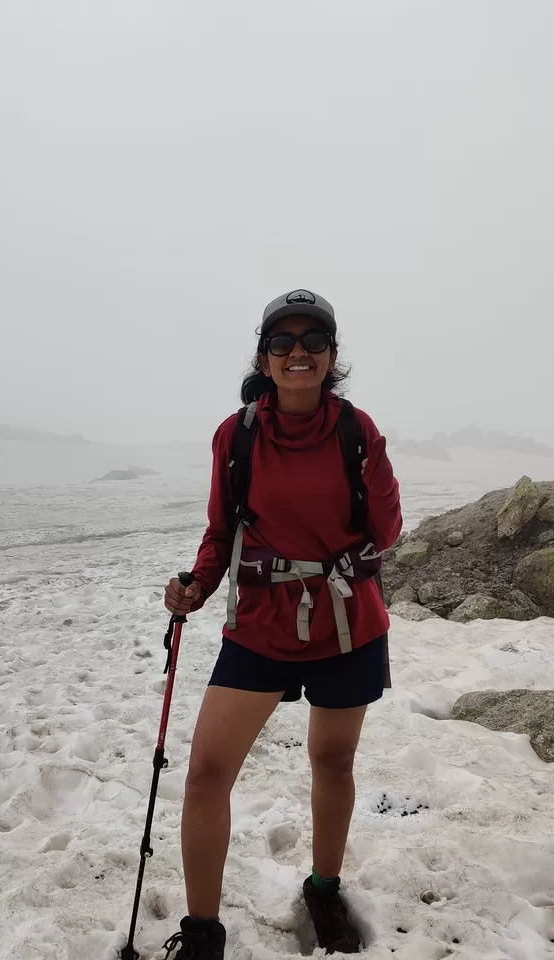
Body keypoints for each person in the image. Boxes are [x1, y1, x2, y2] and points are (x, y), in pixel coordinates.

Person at [159, 289, 402, 958]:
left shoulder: (358, 432)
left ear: (331, 358)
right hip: (261, 622)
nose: (299, 352)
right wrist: (197, 587)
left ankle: (324, 887)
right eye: (283, 342)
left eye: (313, 341)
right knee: (207, 772)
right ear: (265, 360)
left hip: (348, 623)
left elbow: (386, 530)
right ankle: (203, 932)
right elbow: (220, 532)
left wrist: (369, 482)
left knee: (332, 758)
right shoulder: (235, 435)